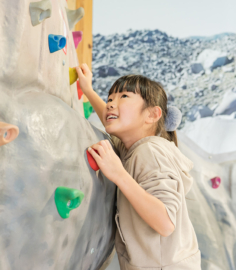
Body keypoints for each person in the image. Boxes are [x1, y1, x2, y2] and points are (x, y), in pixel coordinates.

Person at [76, 63, 201, 270]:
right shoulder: (132, 147)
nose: (110, 104)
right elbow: (111, 119)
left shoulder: (149, 152)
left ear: (152, 115)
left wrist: (118, 174)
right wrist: (88, 90)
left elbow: (165, 222)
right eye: (109, 99)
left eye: (123, 97)